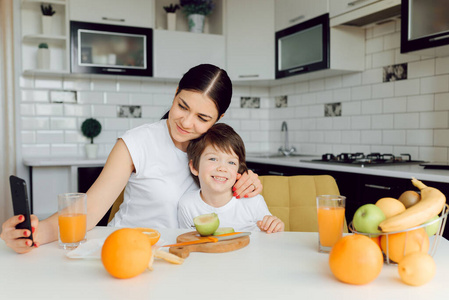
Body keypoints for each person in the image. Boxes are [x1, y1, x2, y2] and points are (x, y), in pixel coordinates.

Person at [1, 64, 262, 254]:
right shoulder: (136, 143)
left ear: (218, 119)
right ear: (175, 94)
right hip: (127, 251)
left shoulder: (217, 154)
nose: (186, 122)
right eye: (182, 106)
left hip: (185, 256)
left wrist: (248, 182)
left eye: (203, 118)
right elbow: (89, 212)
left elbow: (232, 203)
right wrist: (35, 234)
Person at [178, 123, 284, 233]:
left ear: (238, 170)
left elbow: (272, 235)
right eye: (213, 159)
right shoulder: (187, 204)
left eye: (231, 162)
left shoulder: (253, 201)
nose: (222, 168)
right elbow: (188, 241)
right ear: (194, 167)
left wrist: (276, 227)